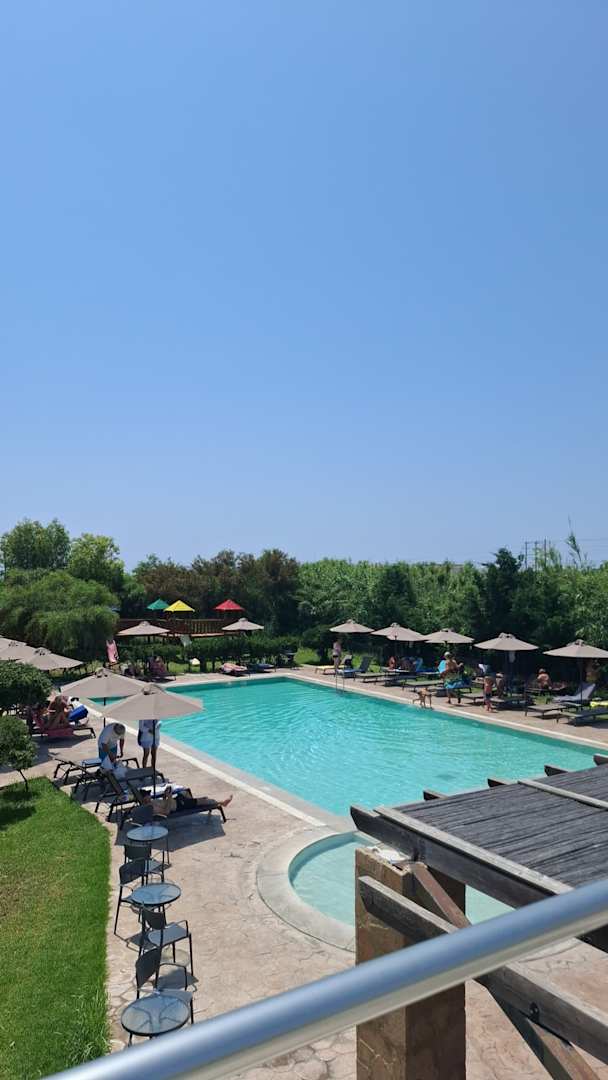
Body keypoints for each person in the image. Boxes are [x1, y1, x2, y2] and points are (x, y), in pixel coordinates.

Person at [144, 785, 233, 817]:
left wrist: (165, 795)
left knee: (185, 791)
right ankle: (222, 803)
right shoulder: (152, 808)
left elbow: (164, 803)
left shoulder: (152, 802)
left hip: (176, 800)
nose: (150, 795)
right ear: (144, 798)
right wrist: (169, 797)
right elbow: (166, 812)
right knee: (203, 800)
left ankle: (194, 803)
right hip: (179, 806)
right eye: (148, 795)